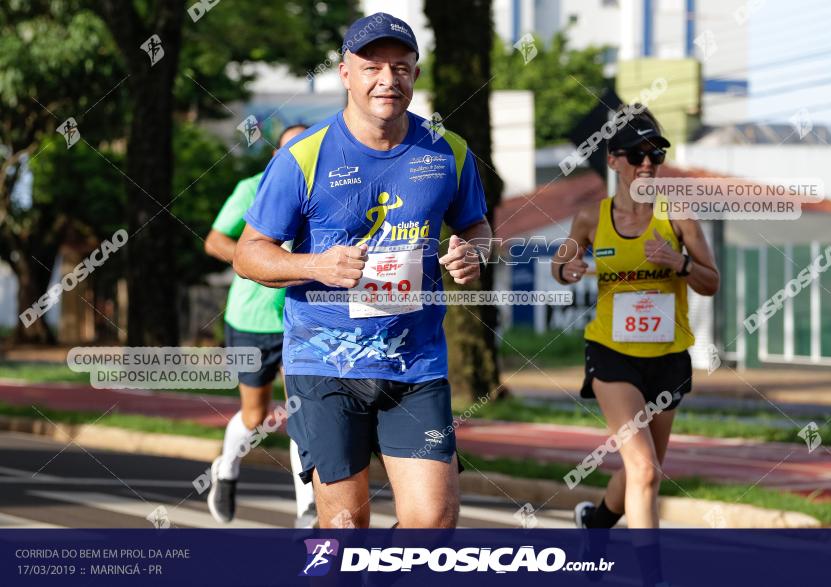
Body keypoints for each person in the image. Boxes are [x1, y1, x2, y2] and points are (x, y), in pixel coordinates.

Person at [233, 12, 492, 528]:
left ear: (416, 75)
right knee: (346, 528)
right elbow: (248, 253)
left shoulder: (448, 152)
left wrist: (475, 254)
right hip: (325, 366)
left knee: (434, 520)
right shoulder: (303, 158)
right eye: (372, 66)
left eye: (400, 67)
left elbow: (479, 229)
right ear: (345, 72)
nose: (387, 79)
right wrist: (316, 265)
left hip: (416, 365)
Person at [552, 104, 719, 530]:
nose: (647, 164)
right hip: (612, 353)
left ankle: (596, 525)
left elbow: (711, 282)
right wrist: (565, 269)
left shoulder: (677, 215)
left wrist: (676, 263)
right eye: (636, 154)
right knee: (644, 470)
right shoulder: (592, 217)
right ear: (614, 159)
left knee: (641, 470)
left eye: (656, 154)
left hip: (667, 356)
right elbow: (563, 263)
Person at [204, 123, 317, 527]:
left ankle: (307, 507)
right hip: (251, 319)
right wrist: (259, 257)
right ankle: (226, 470)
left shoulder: (327, 187)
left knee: (304, 413)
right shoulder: (253, 188)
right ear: (276, 156)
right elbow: (214, 240)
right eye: (291, 151)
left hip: (302, 320)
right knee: (256, 418)